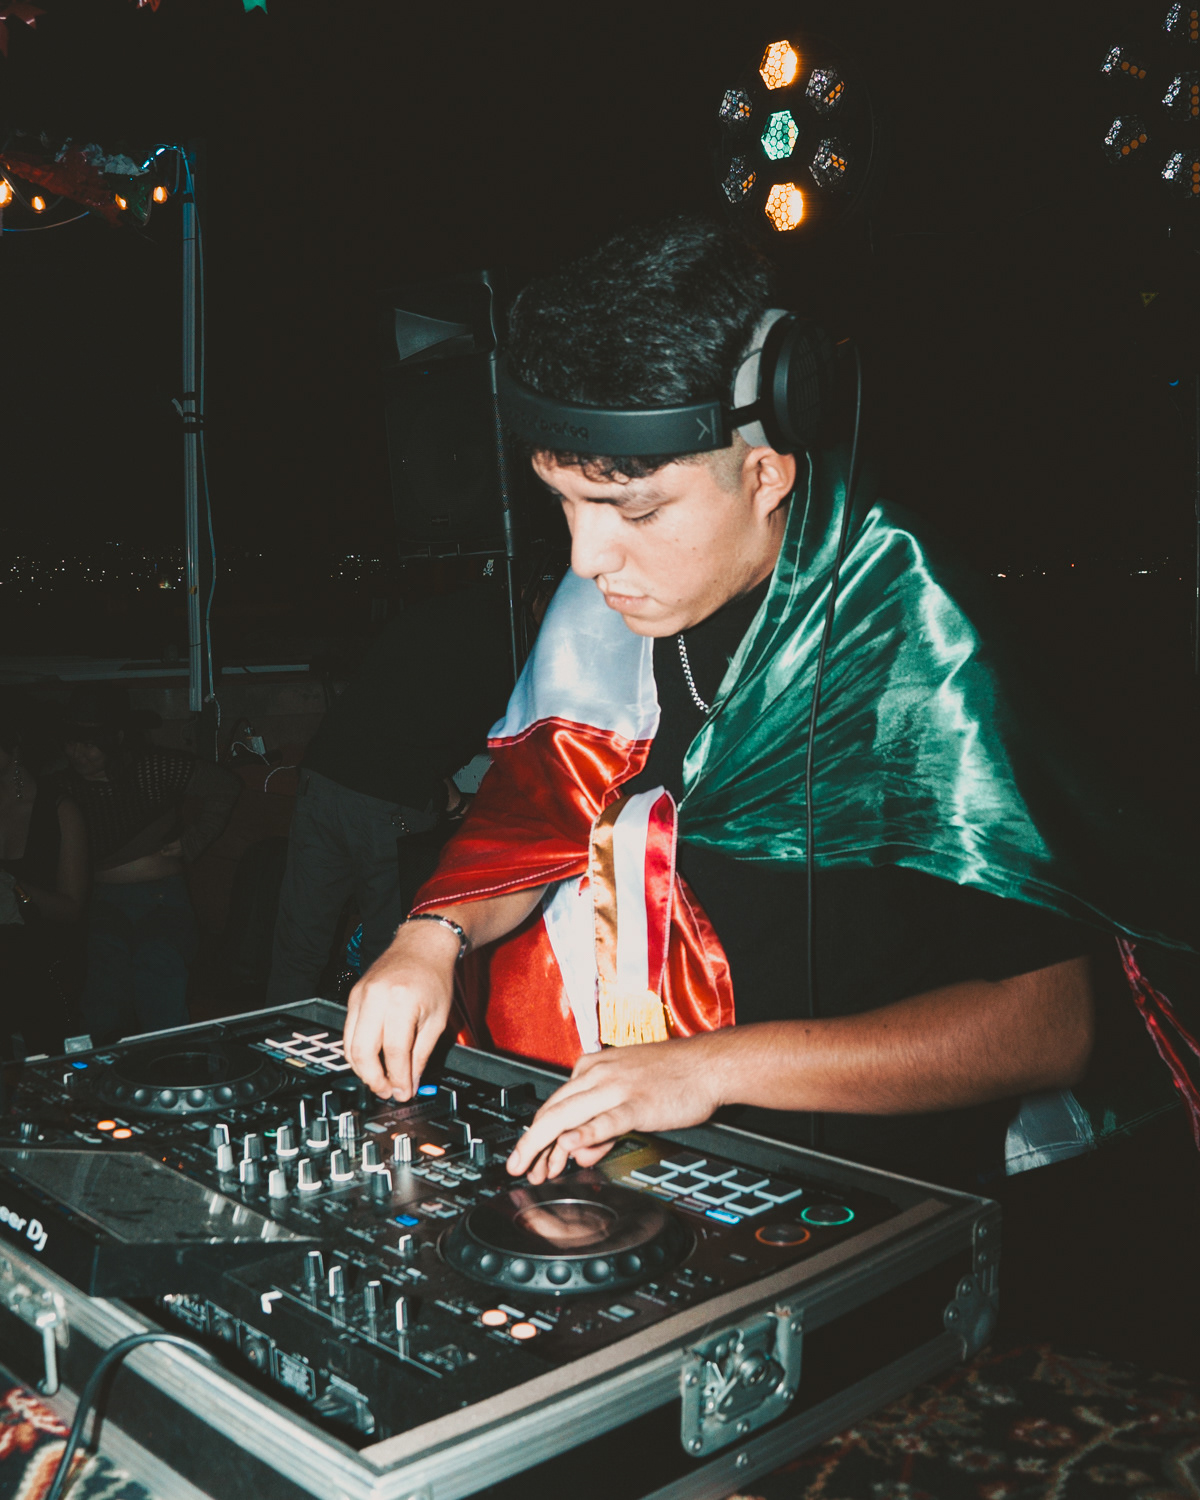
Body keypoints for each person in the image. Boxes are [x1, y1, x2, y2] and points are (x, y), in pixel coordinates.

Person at [342, 222, 1197, 1358]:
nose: (588, 559)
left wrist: (709, 1070)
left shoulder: (912, 652)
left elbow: (1048, 1028)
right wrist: (432, 936)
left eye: (635, 511)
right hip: (652, 1195)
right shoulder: (607, 618)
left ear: (765, 469)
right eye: (564, 503)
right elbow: (538, 811)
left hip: (867, 1237)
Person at [266, 568, 515, 1006]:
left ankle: (284, 1040)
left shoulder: (427, 613)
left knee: (299, 947)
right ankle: (380, 1048)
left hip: (325, 776)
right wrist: (448, 798)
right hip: (387, 797)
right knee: (390, 953)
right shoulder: (510, 639)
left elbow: (395, 709)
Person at [62, 686, 240, 1043]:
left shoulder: (152, 768)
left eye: (90, 744)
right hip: (101, 901)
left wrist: (192, 840)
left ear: (115, 739)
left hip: (162, 899)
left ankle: (170, 1062)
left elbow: (225, 786)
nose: (78, 753)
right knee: (104, 970)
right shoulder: (62, 782)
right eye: (72, 742)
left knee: (158, 962)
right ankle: (100, 1067)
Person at [0, 696, 89, 1058]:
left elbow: (71, 910)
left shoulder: (60, 809)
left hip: (44, 944)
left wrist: (13, 886)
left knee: (18, 963)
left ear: (14, 750)